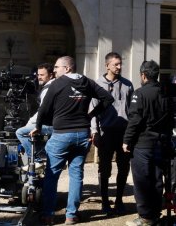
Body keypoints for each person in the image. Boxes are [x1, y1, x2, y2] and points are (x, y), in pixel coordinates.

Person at [30, 56, 114, 225]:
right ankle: (71, 215)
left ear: (67, 68)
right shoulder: (87, 82)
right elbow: (108, 99)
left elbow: (44, 108)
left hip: (62, 134)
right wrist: (90, 114)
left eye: (57, 67)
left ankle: (48, 215)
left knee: (52, 175)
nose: (54, 70)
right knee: (76, 175)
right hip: (83, 134)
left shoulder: (57, 84)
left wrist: (38, 126)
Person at [123, 60, 174, 226]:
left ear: (143, 75)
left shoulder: (140, 93)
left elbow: (135, 120)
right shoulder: (165, 93)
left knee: (142, 181)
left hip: (143, 144)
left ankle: (146, 217)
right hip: (161, 142)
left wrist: (126, 140)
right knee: (157, 180)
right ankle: (155, 213)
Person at [90, 52, 134, 215]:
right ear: (107, 65)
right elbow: (92, 111)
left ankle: (119, 200)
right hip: (106, 132)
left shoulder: (128, 85)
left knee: (123, 168)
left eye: (120, 64)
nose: (119, 67)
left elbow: (132, 111)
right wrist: (94, 131)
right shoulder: (97, 85)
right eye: (116, 64)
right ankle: (104, 201)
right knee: (105, 168)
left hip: (123, 133)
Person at [16, 63, 55, 159]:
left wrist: (30, 123)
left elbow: (43, 110)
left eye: (42, 75)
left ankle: (35, 157)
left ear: (51, 75)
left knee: (20, 132)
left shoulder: (48, 89)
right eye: (38, 75)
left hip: (50, 126)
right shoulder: (53, 86)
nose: (39, 77)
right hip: (52, 124)